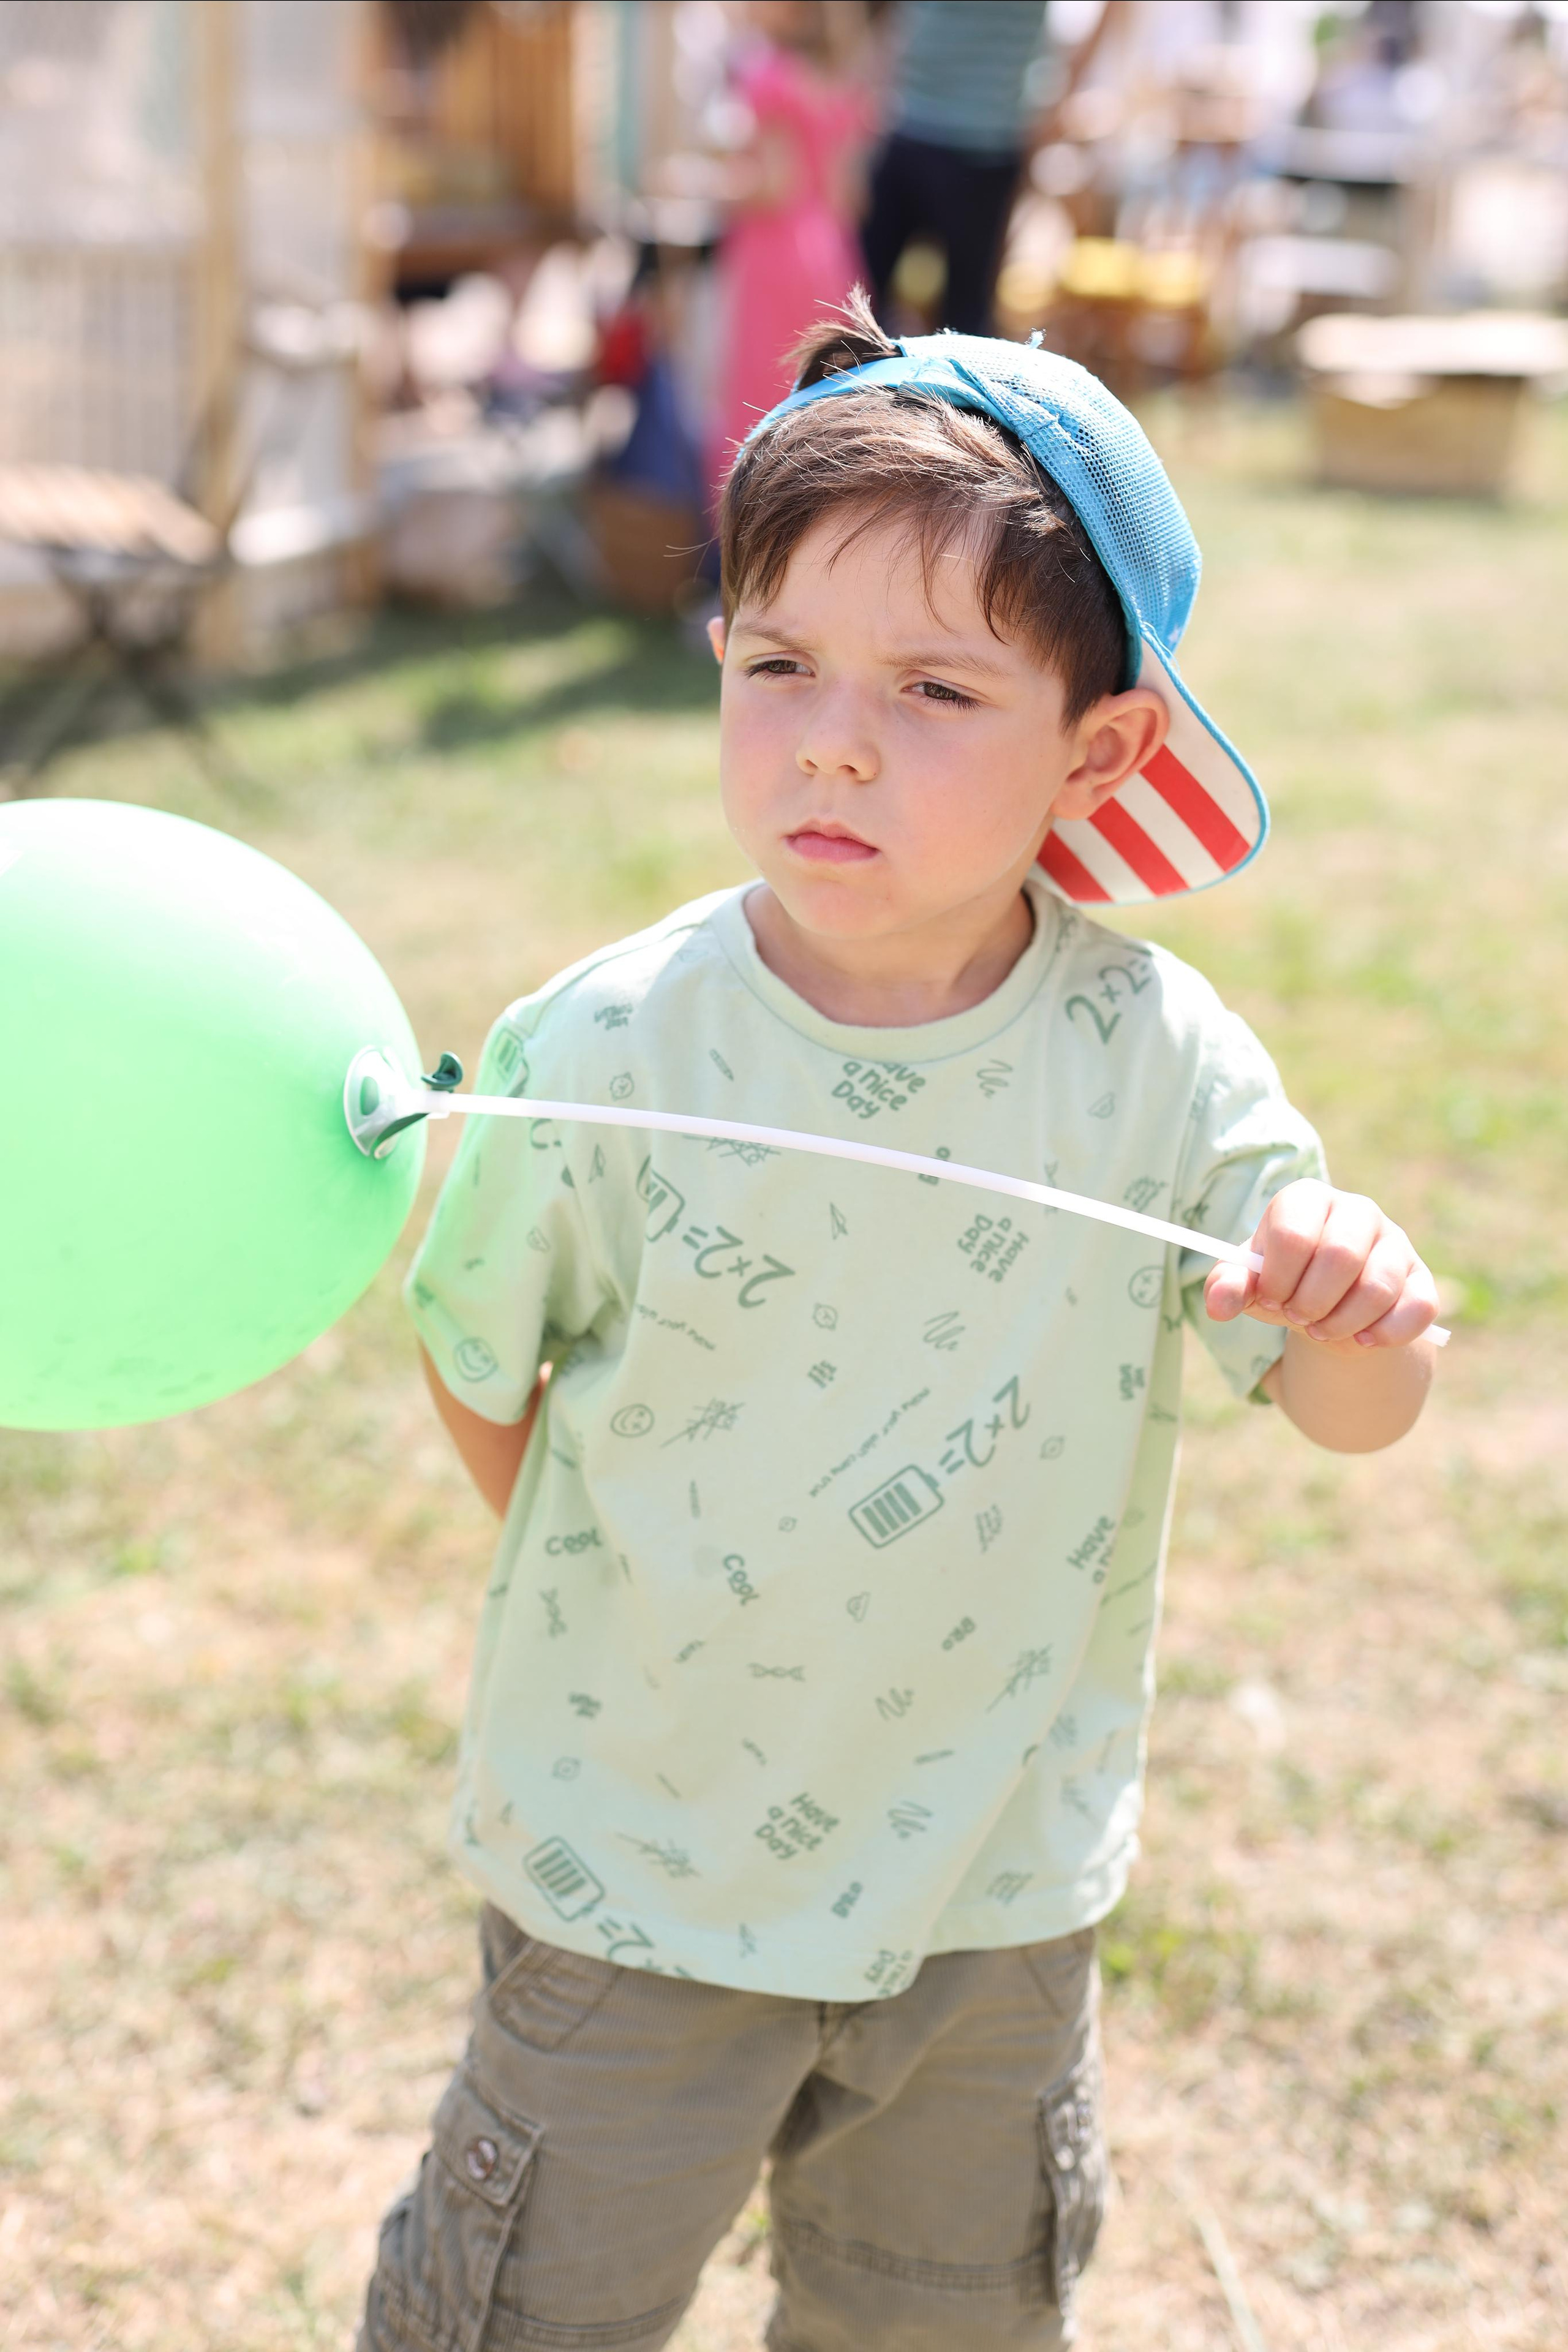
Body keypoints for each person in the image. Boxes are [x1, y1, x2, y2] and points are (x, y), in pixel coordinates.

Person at [363, 298, 1438, 2351]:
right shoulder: (605, 1040)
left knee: (939, 2320)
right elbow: (482, 1353)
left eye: (938, 688)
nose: (834, 740)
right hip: (641, 1869)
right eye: (779, 668)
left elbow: (1339, 1401)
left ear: (1099, 752)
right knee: (526, 2312)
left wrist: (1357, 1305)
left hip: (991, 1898)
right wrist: (645, 1601)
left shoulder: (1154, 1061)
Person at [862, 0, 1123, 336]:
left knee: (964, 320)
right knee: (857, 299)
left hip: (987, 142)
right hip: (905, 122)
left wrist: (1061, 97)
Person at [707, 1, 874, 508]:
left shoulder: (769, 78)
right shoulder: (841, 86)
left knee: (760, 395)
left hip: (774, 254)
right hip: (831, 254)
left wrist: (712, 186)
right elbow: (852, 196)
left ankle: (745, 532)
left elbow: (777, 186)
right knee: (821, 394)